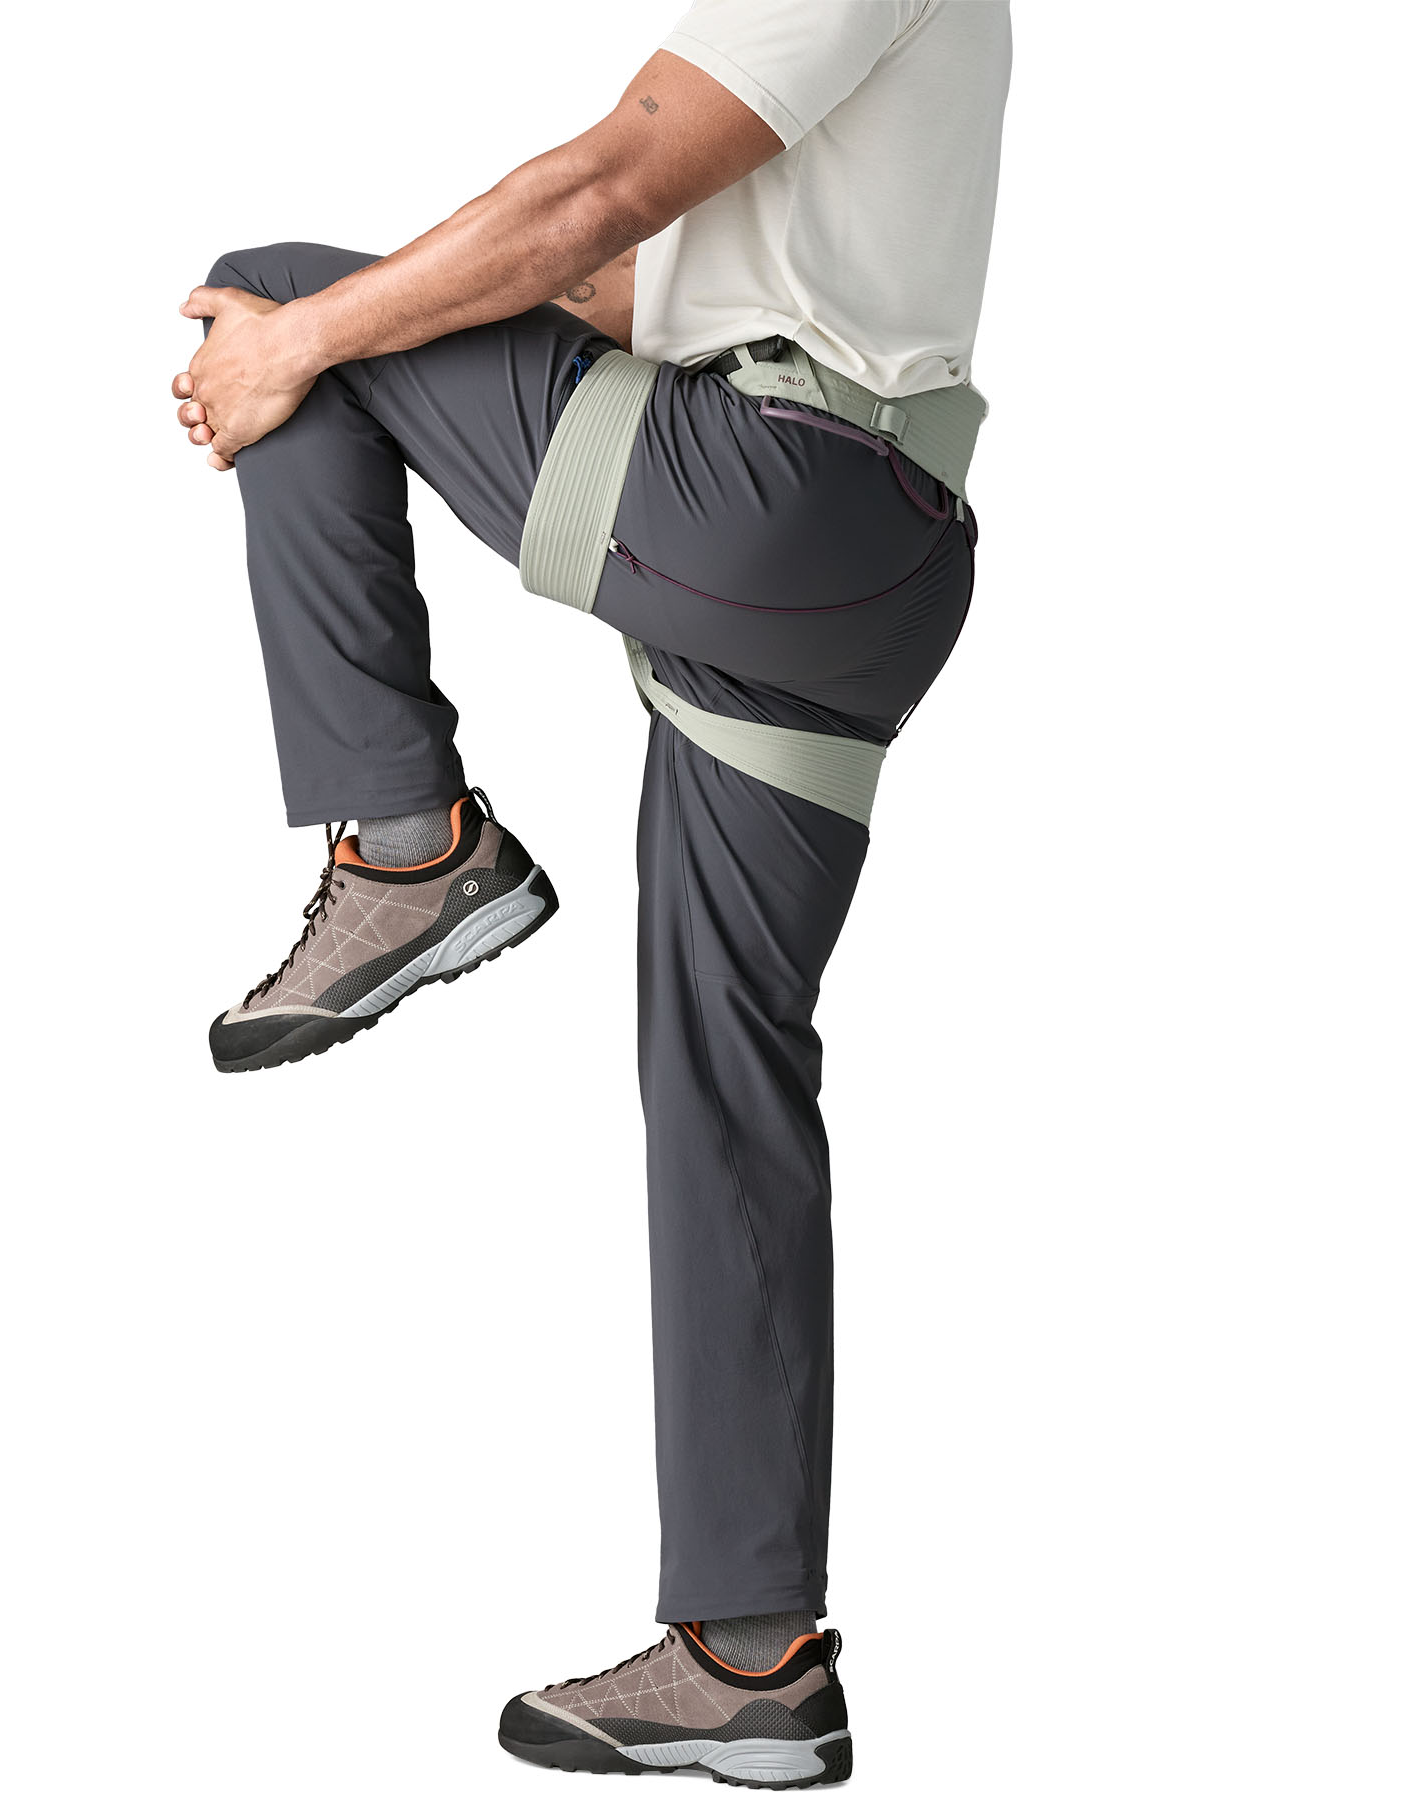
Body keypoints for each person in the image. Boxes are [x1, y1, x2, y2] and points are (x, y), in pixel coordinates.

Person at [174, 1, 1010, 1784]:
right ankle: (750, 1658)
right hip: (866, 555)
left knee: (284, 297)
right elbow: (631, 288)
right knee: (722, 1066)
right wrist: (424, 305)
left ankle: (408, 846)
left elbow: (601, 194)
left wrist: (304, 339)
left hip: (780, 494)